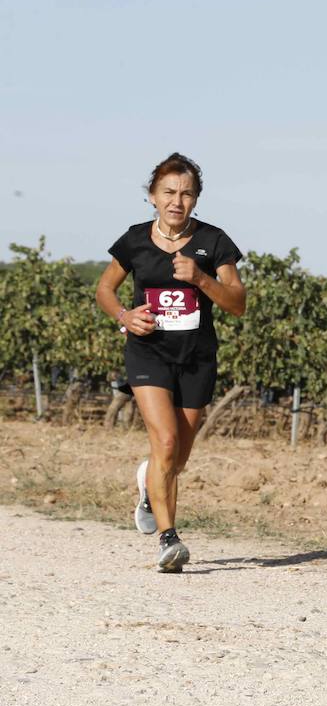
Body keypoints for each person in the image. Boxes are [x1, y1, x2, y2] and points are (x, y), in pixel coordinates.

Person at [95, 154, 245, 572]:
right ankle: (169, 540)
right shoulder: (135, 240)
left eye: (186, 193)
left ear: (196, 199)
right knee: (164, 443)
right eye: (168, 192)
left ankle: (149, 485)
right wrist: (125, 316)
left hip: (196, 358)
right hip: (149, 353)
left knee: (177, 457)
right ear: (152, 196)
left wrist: (200, 278)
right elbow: (105, 289)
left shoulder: (214, 242)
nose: (177, 201)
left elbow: (237, 304)